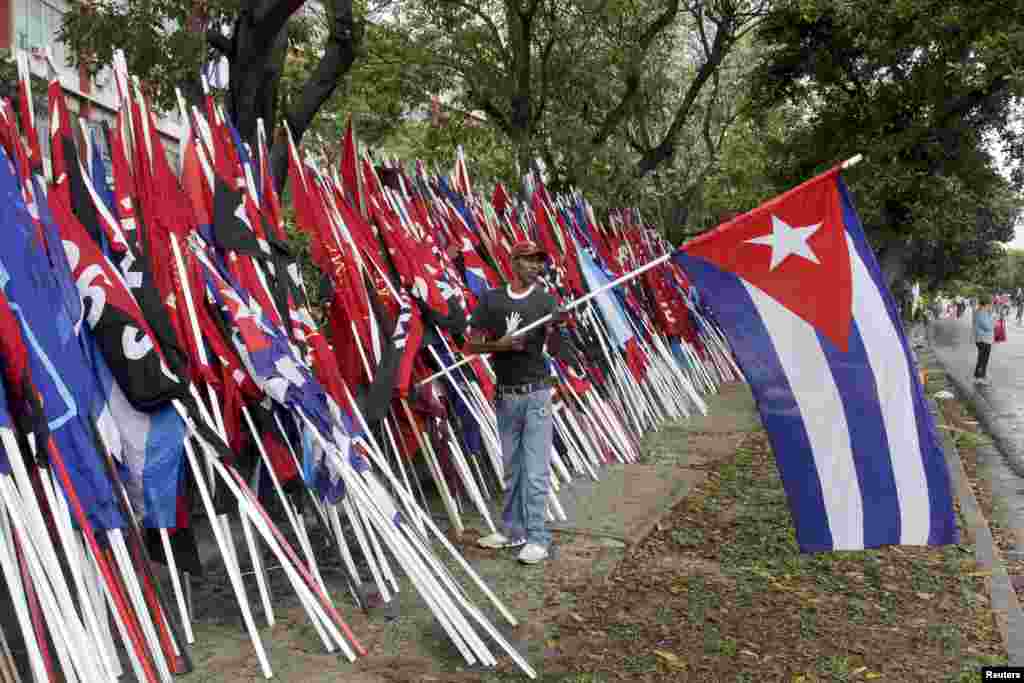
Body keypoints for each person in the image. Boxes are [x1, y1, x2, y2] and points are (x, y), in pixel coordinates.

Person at [467, 239, 566, 564]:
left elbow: (561, 326)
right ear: (514, 262)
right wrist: (501, 345)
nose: (536, 266)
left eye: (539, 261)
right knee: (512, 468)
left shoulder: (545, 301)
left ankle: (538, 537)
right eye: (529, 260)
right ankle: (513, 531)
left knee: (536, 471)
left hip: (536, 394)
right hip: (506, 397)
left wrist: (562, 318)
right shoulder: (492, 301)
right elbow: (472, 346)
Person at [973, 294, 996, 385]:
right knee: (982, 359)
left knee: (983, 359)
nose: (991, 306)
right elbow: (987, 327)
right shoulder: (981, 312)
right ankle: (979, 377)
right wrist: (993, 320)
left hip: (984, 339)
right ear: (986, 304)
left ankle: (980, 376)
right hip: (983, 340)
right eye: (990, 304)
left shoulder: (983, 312)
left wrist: (991, 316)